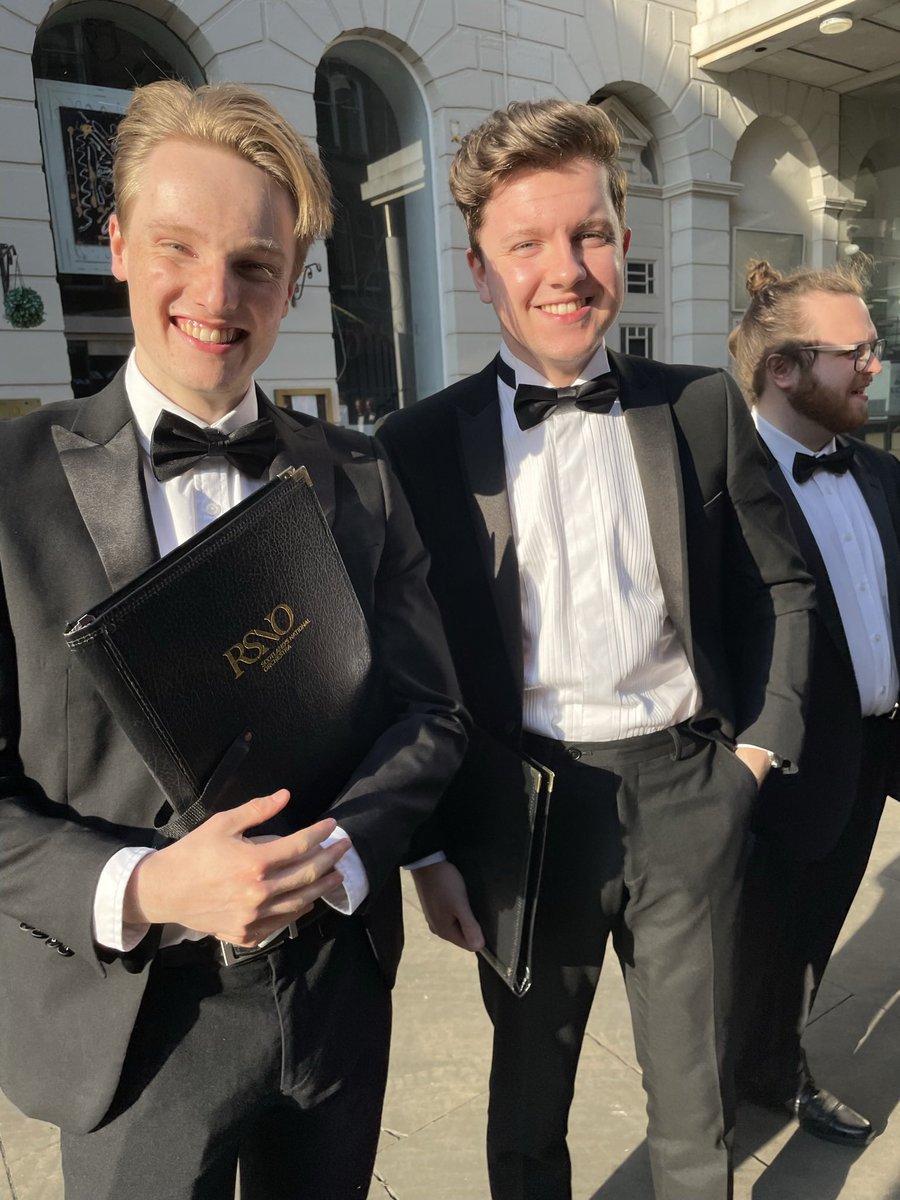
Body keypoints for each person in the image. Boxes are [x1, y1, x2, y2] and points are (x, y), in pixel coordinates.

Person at [0, 80, 467, 1200]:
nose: (216, 295)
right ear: (118, 246)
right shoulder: (9, 488)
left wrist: (344, 851)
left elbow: (431, 713)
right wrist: (148, 885)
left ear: (294, 283)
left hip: (339, 987)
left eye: (257, 264)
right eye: (179, 247)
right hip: (137, 1022)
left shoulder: (359, 474)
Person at [376, 99, 814, 1200]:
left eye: (591, 234)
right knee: (527, 1111)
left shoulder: (703, 407)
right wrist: (426, 851)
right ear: (480, 270)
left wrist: (756, 755)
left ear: (622, 238)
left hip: (688, 787)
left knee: (697, 1111)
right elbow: (399, 658)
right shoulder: (415, 447)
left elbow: (783, 585)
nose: (566, 271)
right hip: (518, 814)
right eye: (527, 244)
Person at [728, 260, 900, 1146]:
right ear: (784, 369)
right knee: (749, 953)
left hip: (868, 757)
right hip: (773, 770)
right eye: (855, 352)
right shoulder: (719, 484)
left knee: (815, 936)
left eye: (875, 346)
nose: (875, 364)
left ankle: (776, 1067)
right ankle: (719, 1098)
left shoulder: (880, 474)